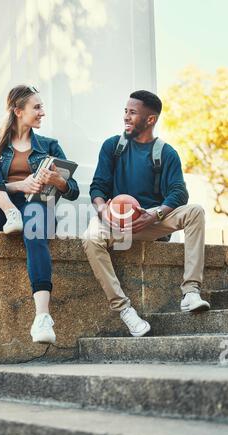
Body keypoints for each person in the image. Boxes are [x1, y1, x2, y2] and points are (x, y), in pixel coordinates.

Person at [82, 90, 210, 338]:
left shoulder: (166, 153)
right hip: (115, 221)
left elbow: (178, 192)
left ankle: (191, 291)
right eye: (125, 111)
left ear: (150, 119)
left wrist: (156, 215)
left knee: (195, 211)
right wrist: (102, 210)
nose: (126, 117)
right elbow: (98, 187)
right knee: (89, 238)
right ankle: (124, 309)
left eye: (132, 113)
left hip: (152, 220)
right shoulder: (112, 147)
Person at [0, 85, 79, 344]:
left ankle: (42, 317)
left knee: (36, 215)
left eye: (42, 107)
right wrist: (19, 185)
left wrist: (57, 181)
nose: (42, 112)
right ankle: (11, 214)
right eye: (36, 107)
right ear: (18, 111)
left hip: (34, 206)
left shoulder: (50, 146)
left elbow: (72, 191)